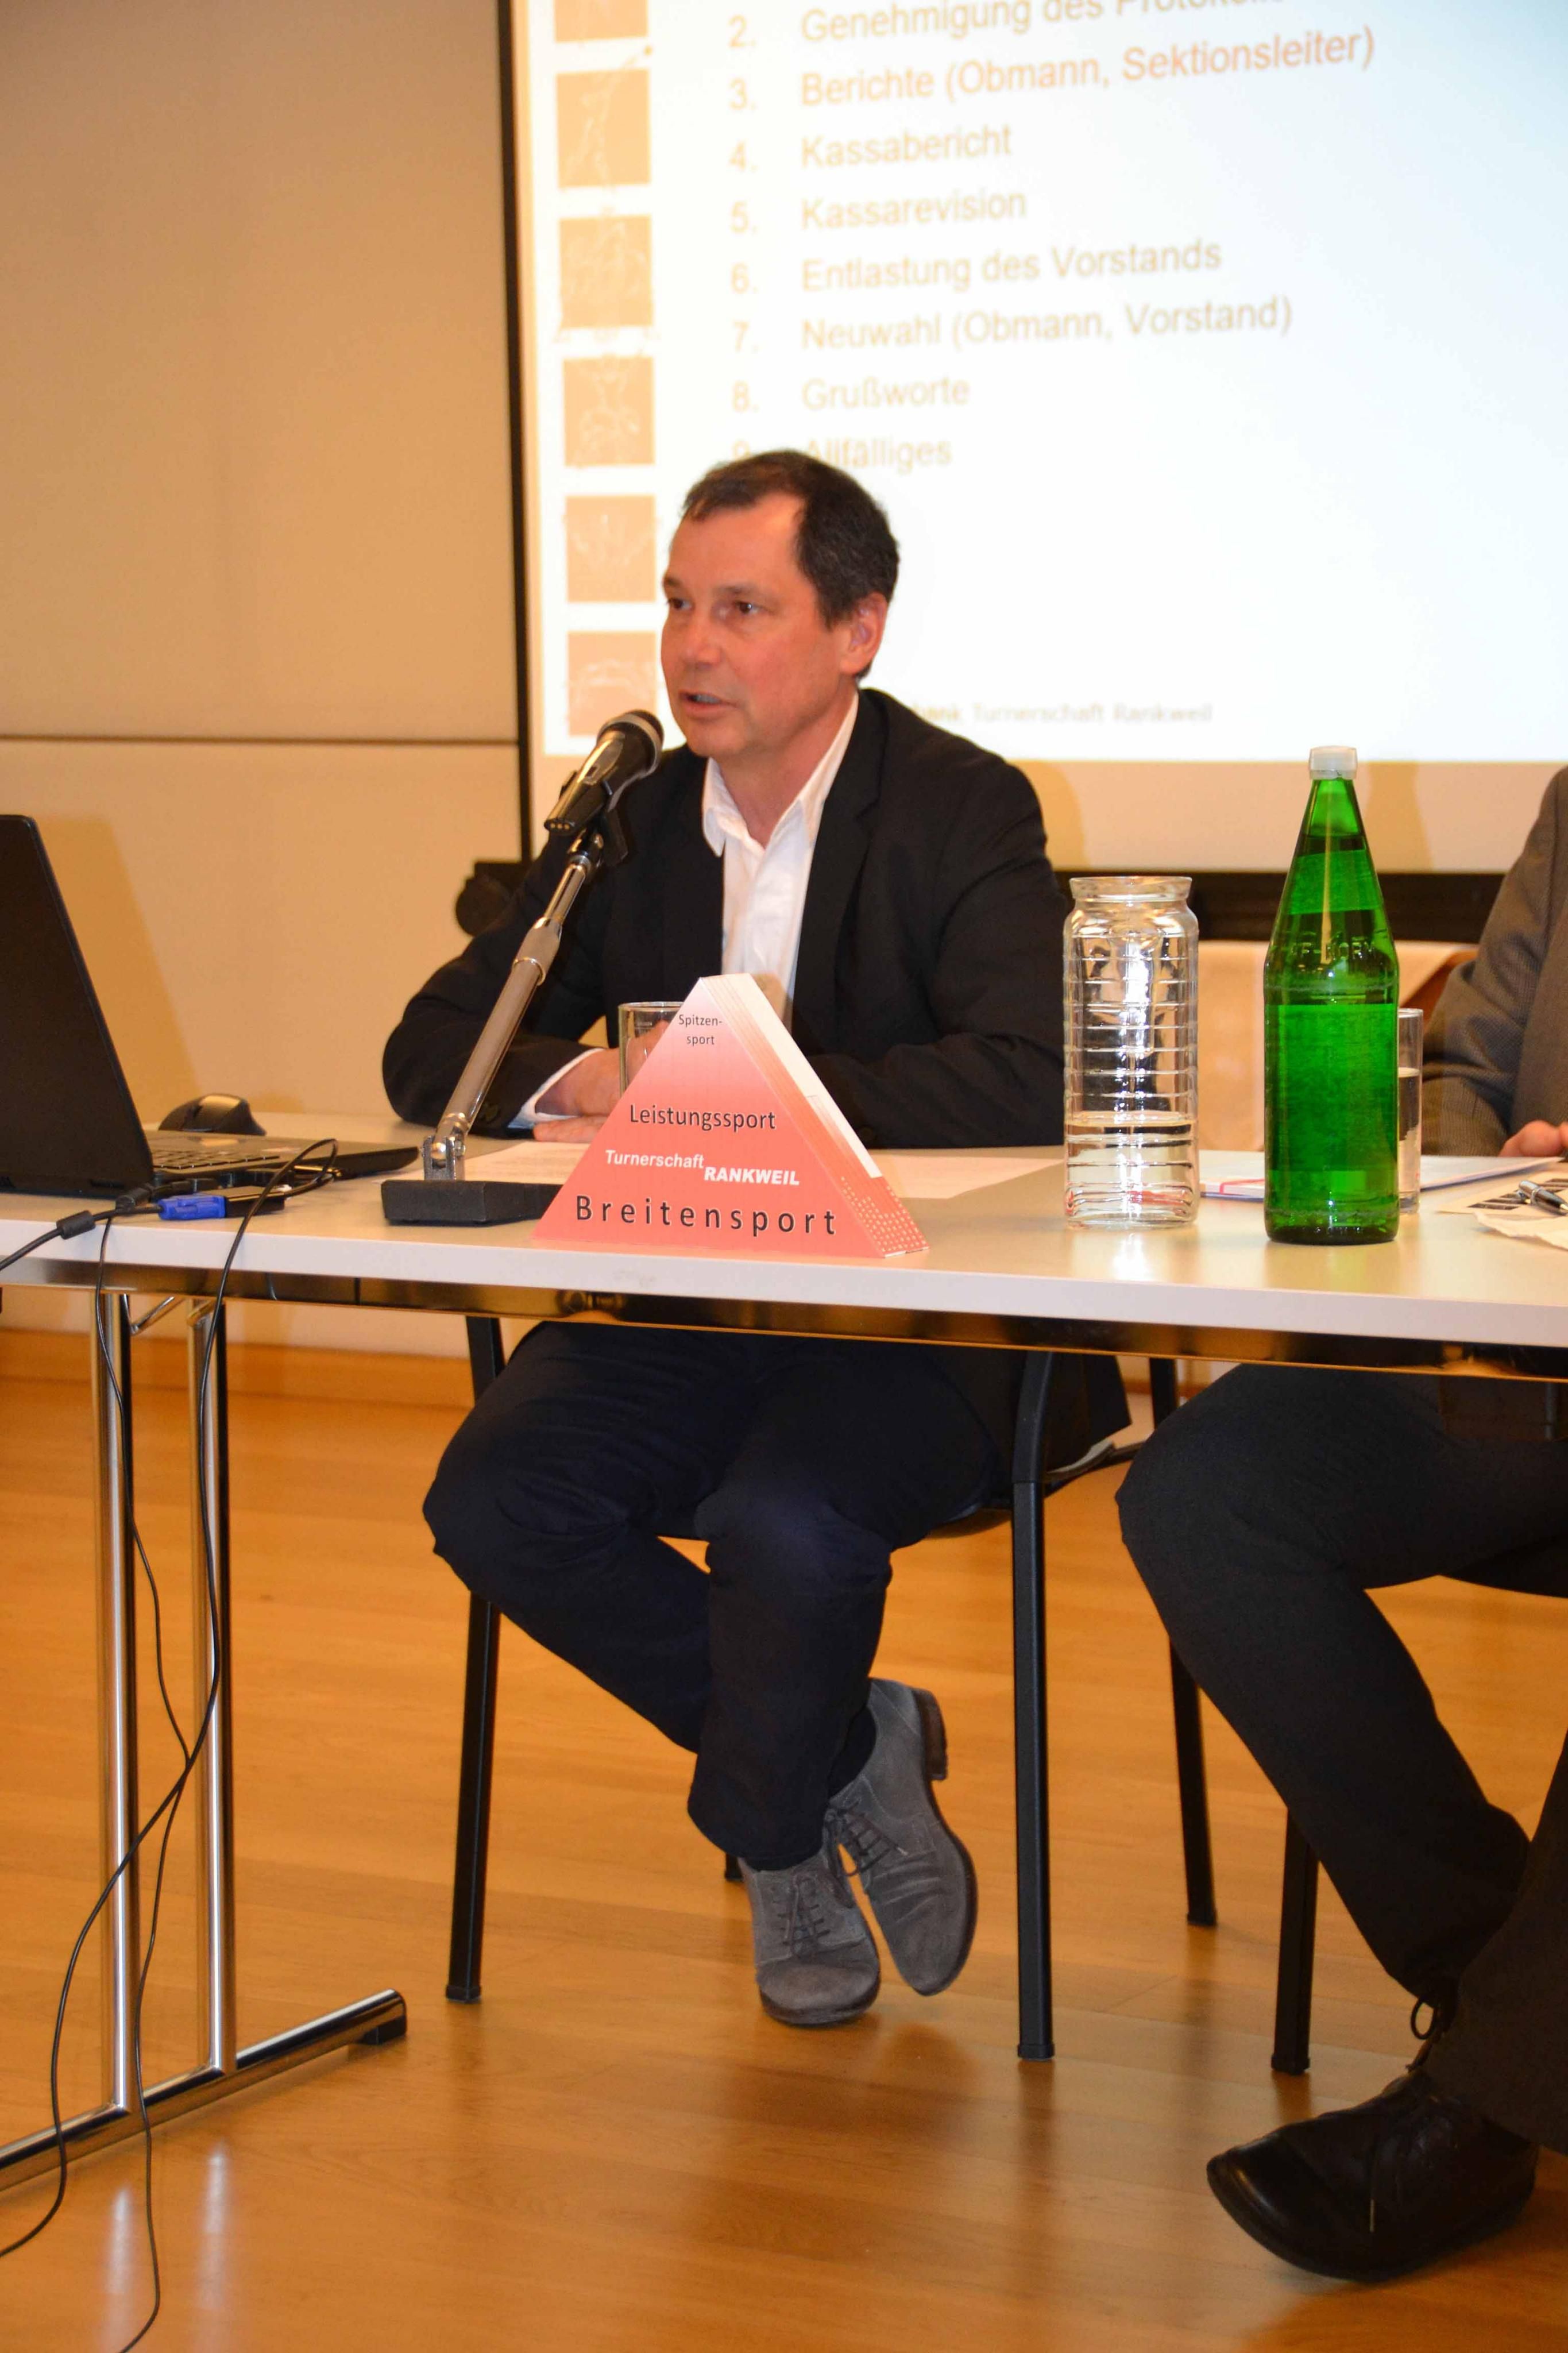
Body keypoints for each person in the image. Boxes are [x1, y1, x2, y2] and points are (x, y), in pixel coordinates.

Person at [386, 450, 1123, 2030]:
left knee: (787, 1525)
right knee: (500, 1497)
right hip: (685, 1308)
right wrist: (592, 1078)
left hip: (919, 1326)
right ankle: (844, 1752)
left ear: (857, 629)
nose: (692, 648)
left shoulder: (961, 806)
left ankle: (773, 1836)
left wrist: (742, 1080)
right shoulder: (631, 822)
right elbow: (433, 1049)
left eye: (741, 609)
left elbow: (1029, 1070)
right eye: (674, 606)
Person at [1117, 765, 1568, 2279]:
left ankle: (1479, 2109)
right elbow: (1464, 1059)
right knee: (1208, 1490)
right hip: (1524, 1351)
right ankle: (1506, 1989)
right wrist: (1485, 1169)